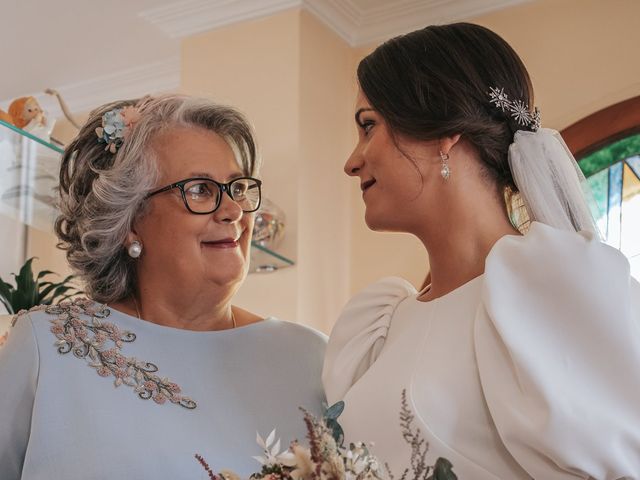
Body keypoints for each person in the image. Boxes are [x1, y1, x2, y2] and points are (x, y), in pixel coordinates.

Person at [323, 23, 640, 479]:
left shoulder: (556, 290)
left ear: (443, 132)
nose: (352, 161)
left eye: (368, 126)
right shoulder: (378, 326)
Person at [0, 94, 326, 479]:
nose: (234, 211)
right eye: (201, 189)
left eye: (237, 187)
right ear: (131, 221)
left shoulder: (311, 357)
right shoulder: (46, 345)